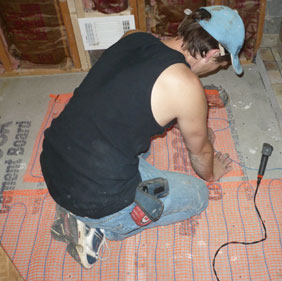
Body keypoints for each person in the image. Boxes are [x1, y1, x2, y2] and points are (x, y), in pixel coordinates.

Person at [40, 5, 245, 269]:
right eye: (220, 65)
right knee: (198, 196)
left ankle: (84, 208)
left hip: (55, 158)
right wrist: (211, 171)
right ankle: (95, 228)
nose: (214, 71)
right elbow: (200, 156)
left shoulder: (135, 36)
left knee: (139, 141)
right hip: (95, 196)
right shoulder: (186, 85)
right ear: (212, 54)